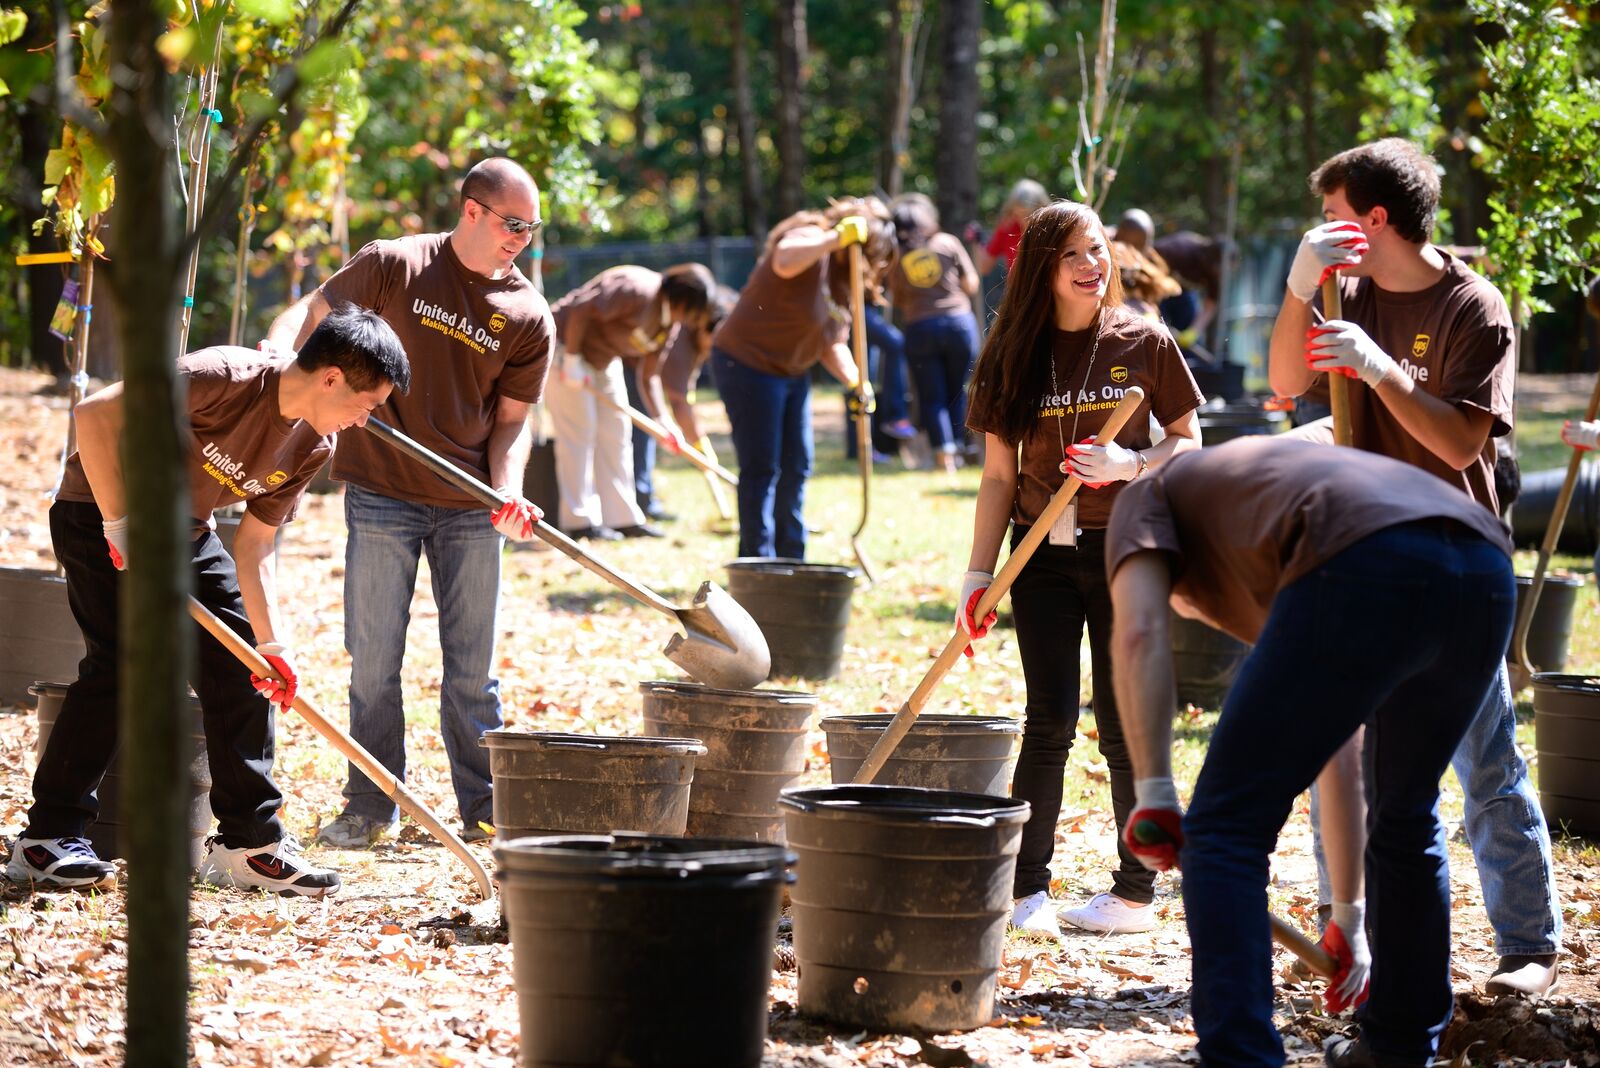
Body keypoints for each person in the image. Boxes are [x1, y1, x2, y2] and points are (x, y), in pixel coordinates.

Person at [1108, 436, 1516, 1068]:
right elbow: (1341, 747)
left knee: (1223, 830)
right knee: (1405, 811)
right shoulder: (1264, 521)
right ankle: (1400, 1049)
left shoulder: (1145, 496)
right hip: (1484, 566)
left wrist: (1156, 792)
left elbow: (1137, 632)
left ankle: (1241, 1055)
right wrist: (1350, 914)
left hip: (1363, 553)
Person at [1266, 137, 1561, 998]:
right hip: (1359, 561)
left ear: (1375, 220)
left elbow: (1462, 438)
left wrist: (1382, 369)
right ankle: (1349, 946)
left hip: (1454, 567)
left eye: (1332, 219)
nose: (1323, 233)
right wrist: (1297, 287)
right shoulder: (1338, 289)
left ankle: (1528, 944)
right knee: (1343, 762)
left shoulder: (1474, 306)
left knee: (1486, 764)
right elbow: (1286, 381)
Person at [5, 307, 411, 896]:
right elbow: (94, 417)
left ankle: (250, 844)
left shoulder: (311, 447)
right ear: (331, 378)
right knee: (124, 662)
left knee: (243, 667)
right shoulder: (227, 375)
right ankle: (47, 839)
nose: (364, 419)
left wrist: (270, 645)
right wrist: (121, 526)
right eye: (366, 403)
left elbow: (256, 543)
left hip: (186, 532)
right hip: (96, 509)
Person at [267, 158, 554, 849]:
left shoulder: (527, 313)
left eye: (532, 228)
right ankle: (370, 804)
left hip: (470, 505)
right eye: (513, 224)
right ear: (472, 211)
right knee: (372, 662)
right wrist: (331, 394)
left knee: (471, 674)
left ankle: (484, 811)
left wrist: (508, 488)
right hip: (382, 492)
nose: (522, 239)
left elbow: (512, 420)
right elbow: (318, 320)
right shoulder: (393, 264)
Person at [959, 199, 1203, 938]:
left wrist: (1132, 462)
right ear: (1042, 269)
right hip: (1038, 554)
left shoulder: (1145, 342)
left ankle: (1134, 893)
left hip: (1125, 549)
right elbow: (1000, 479)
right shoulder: (1011, 354)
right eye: (1073, 255)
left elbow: (1188, 443)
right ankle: (1027, 888)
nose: (1093, 265)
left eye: (1097, 249)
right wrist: (977, 578)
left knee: (1124, 723)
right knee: (1050, 719)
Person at [709, 197, 894, 560]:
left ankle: (791, 556)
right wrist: (835, 239)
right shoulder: (812, 236)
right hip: (747, 363)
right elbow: (784, 260)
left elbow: (832, 342)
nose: (873, 263)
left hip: (791, 371)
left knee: (798, 463)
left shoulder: (845, 280)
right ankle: (757, 560)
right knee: (763, 466)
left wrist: (858, 382)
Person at [546, 263, 714, 540]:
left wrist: (663, 421)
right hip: (565, 347)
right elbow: (582, 309)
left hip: (602, 360)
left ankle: (622, 518)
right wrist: (572, 359)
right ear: (684, 299)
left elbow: (649, 377)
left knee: (617, 433)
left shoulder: (667, 322)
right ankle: (579, 522)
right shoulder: (637, 289)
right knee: (580, 433)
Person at [889, 193, 982, 474]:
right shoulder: (947, 243)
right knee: (958, 391)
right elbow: (971, 284)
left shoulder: (897, 255)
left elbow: (896, 297)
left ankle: (944, 455)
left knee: (931, 395)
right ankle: (961, 446)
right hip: (958, 324)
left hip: (921, 327)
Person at [661, 283, 736, 464]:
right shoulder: (680, 345)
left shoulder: (696, 342)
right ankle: (642, 492)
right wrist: (700, 448)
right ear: (704, 328)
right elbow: (678, 402)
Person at [972, 178, 1051, 277]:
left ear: (1041, 210)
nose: (1023, 222)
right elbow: (984, 267)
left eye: (1028, 216)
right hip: (1018, 291)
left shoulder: (1051, 230)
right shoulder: (1008, 228)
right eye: (1018, 215)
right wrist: (977, 240)